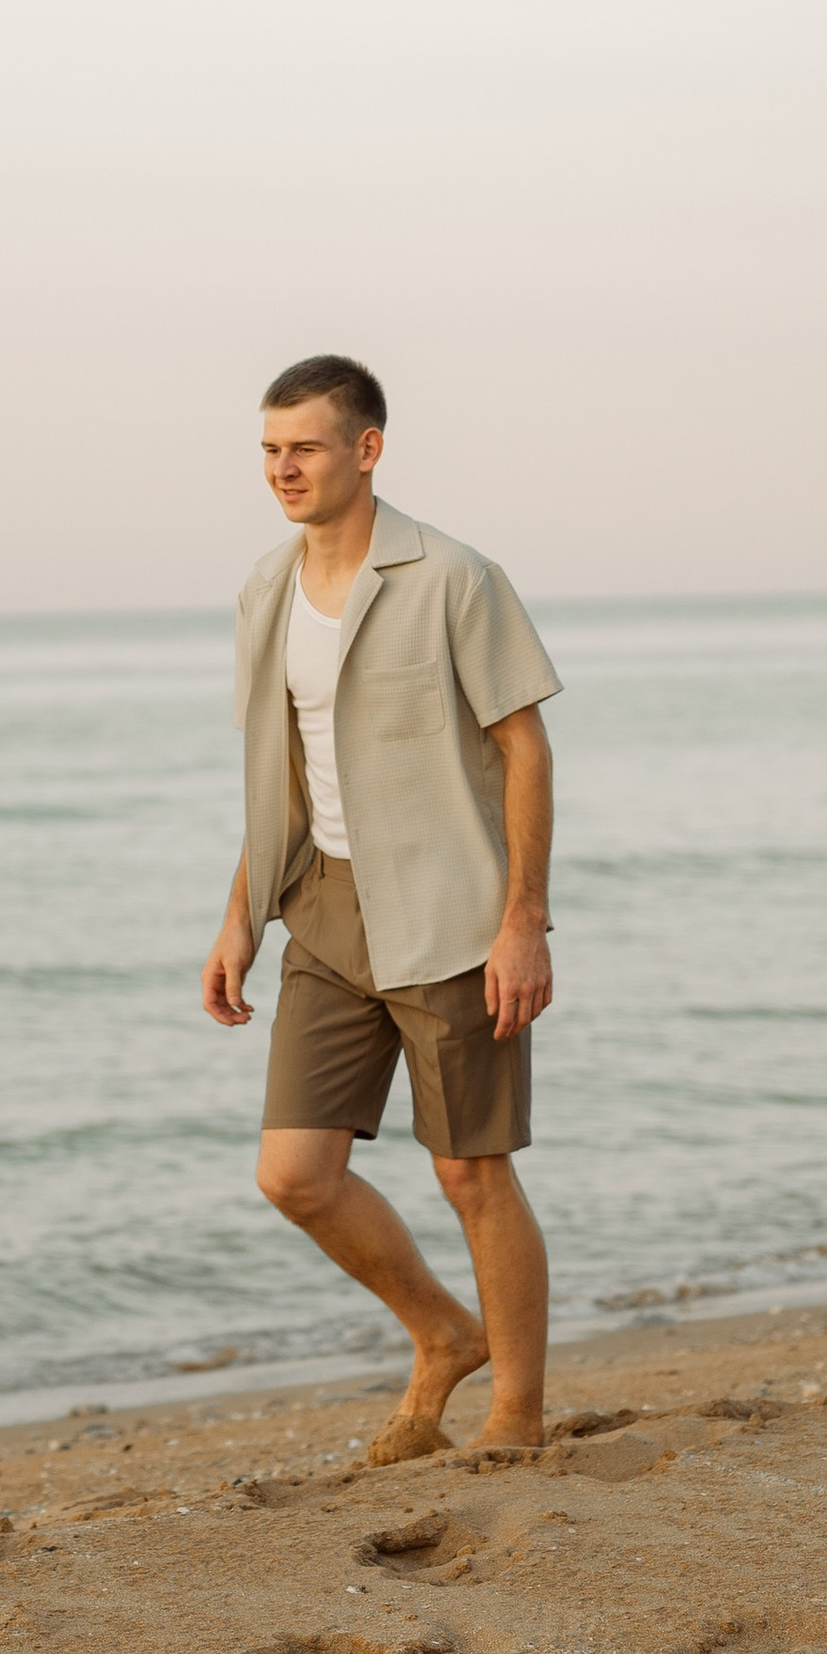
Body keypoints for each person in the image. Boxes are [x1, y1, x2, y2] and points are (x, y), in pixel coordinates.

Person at [202, 354, 561, 1461]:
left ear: (367, 448)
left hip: (451, 911)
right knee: (293, 1172)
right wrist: (239, 917)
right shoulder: (264, 589)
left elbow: (524, 746)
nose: (282, 468)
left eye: (303, 446)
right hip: (324, 907)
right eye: (269, 449)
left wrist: (523, 919)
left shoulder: (453, 575)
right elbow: (281, 775)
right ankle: (442, 1332)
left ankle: (519, 1414)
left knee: (469, 1171)